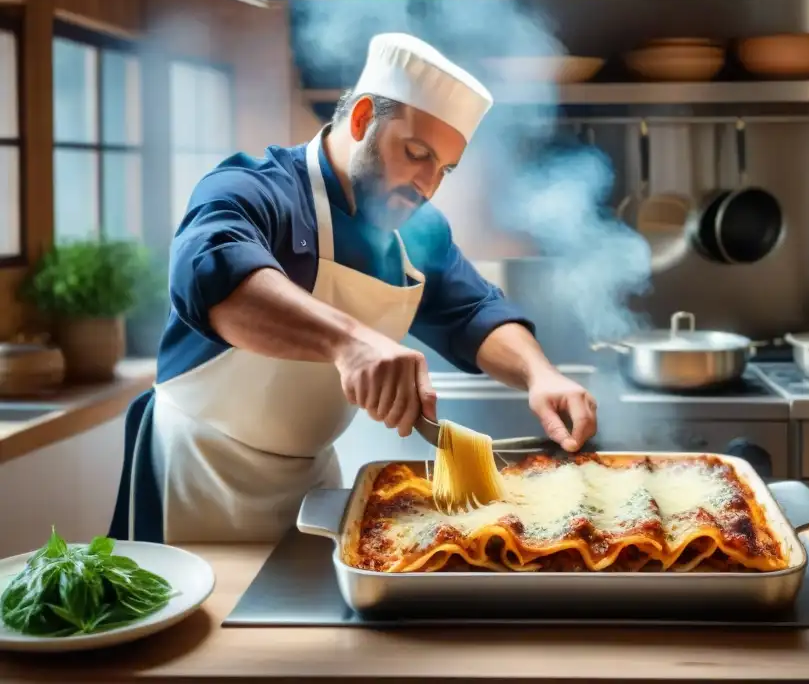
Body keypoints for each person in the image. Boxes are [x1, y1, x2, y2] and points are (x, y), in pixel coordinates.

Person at [108, 32, 598, 544]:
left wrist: (540, 375)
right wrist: (351, 343)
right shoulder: (254, 189)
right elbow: (211, 275)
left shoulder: (418, 230)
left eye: (444, 169)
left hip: (311, 485)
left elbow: (474, 310)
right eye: (415, 153)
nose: (427, 184)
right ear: (362, 118)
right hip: (195, 478)